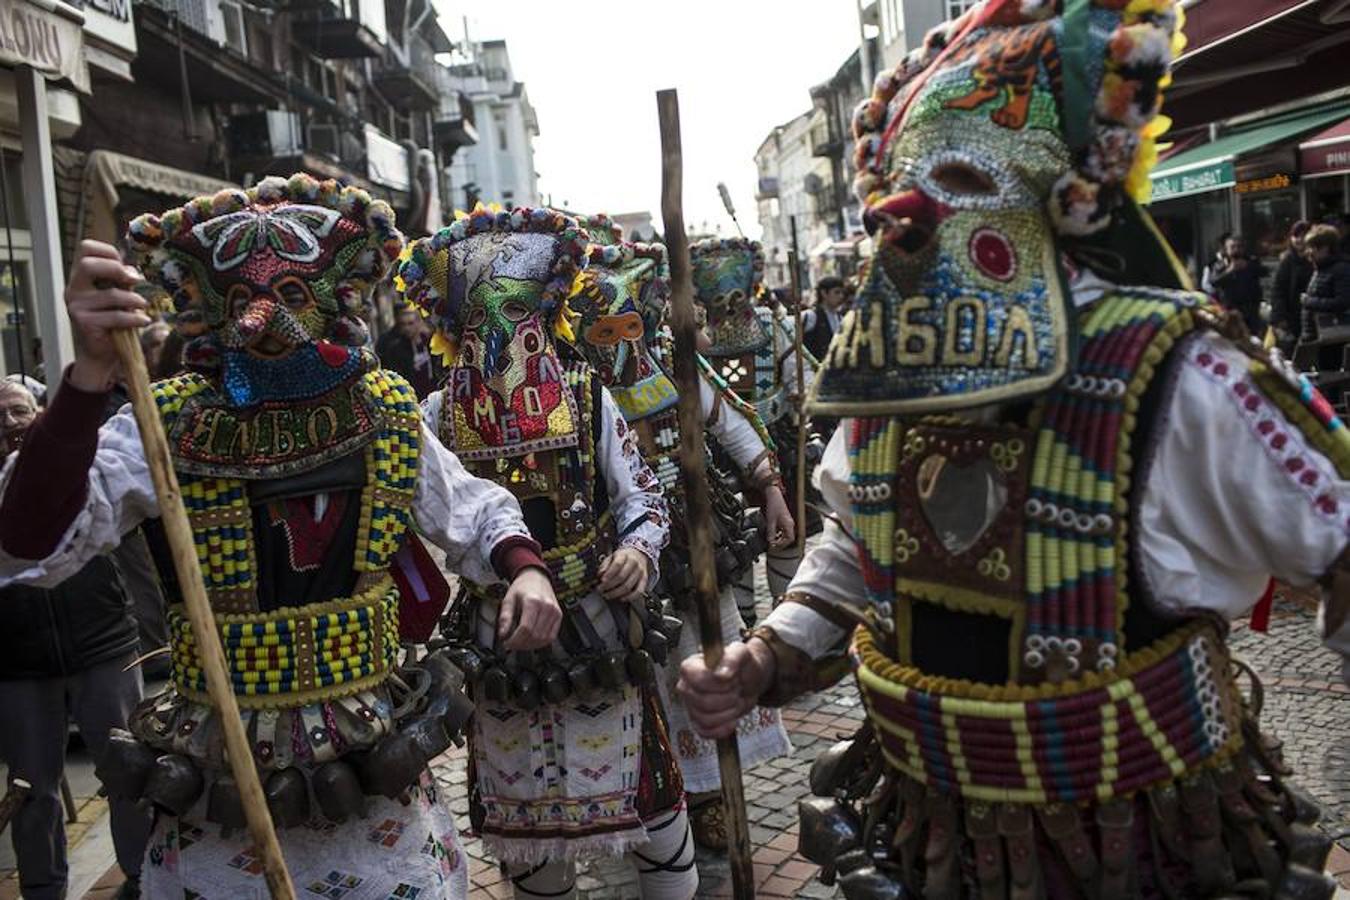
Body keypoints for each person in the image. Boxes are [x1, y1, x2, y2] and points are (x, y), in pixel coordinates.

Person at [678, 2, 1348, 897]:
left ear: (1058, 195)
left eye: (957, 176)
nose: (912, 211)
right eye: (905, 186)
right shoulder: (893, 376)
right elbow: (857, 537)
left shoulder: (1180, 365)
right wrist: (770, 653)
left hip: (1150, 853)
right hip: (931, 847)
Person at [0, 174, 559, 899]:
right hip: (216, 749)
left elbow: (472, 509)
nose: (264, 315)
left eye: (292, 295)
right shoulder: (167, 421)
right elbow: (28, 547)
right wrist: (88, 378)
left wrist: (525, 568)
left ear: (331, 303)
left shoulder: (381, 408)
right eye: (241, 301)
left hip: (369, 732)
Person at [396, 206, 695, 900]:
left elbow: (643, 496)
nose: (502, 339)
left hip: (600, 631)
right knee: (526, 836)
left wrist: (639, 553)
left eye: (519, 318)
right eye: (480, 324)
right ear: (453, 329)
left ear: (544, 317)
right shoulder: (436, 414)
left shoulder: (588, 395)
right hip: (497, 644)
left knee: (651, 814)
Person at [566, 230, 794, 851]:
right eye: (602, 332)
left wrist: (771, 488)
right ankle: (652, 800)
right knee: (637, 676)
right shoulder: (572, 394)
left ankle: (711, 794)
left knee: (704, 660)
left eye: (628, 328)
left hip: (693, 541)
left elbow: (736, 427)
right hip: (615, 561)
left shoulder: (677, 372)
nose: (618, 345)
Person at [0, 380, 153, 900]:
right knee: (31, 787)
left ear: (40, 413)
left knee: (127, 770)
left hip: (102, 644)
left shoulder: (82, 465)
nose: (9, 424)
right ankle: (43, 888)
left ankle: (141, 875)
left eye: (18, 411)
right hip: (17, 663)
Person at [690, 237, 817, 616]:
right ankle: (744, 616)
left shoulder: (770, 324)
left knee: (787, 530)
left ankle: (787, 609)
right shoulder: (691, 333)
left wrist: (803, 397)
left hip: (776, 440)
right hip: (721, 454)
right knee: (735, 536)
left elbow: (802, 373)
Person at [376, 300, 442, 397]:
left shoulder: (431, 339)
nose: (407, 328)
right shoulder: (395, 347)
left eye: (410, 323)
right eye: (403, 324)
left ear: (419, 322)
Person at [1203, 233, 1267, 333]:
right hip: (1229, 309)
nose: (1236, 250)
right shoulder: (1220, 265)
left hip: (1250, 310)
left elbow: (1264, 272)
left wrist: (1249, 266)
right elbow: (1213, 282)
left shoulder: (1251, 261)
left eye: (1239, 247)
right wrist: (1229, 271)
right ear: (1226, 249)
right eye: (1233, 247)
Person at [1270, 220, 1313, 347]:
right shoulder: (1287, 260)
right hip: (1292, 316)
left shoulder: (1316, 258)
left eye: (1303, 235)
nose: (1300, 240)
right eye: (1296, 236)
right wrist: (1279, 317)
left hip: (1313, 315)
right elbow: (1278, 290)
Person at [802, 275, 846, 360]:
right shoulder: (811, 316)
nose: (841, 296)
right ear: (824, 293)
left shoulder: (841, 318)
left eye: (842, 293)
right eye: (837, 292)